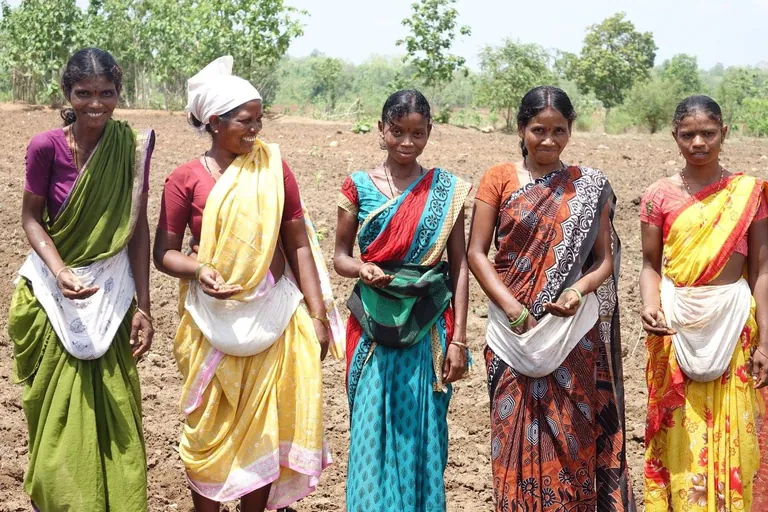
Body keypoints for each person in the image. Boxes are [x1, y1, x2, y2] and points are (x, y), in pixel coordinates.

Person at [153, 56, 343, 512]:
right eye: (245, 121)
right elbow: (164, 252)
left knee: (265, 431)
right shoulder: (185, 179)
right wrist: (198, 270)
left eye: (259, 119)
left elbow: (297, 242)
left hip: (274, 316)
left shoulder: (274, 169)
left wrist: (317, 316)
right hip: (211, 321)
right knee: (208, 432)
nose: (256, 129)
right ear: (215, 122)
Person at [467, 86, 635, 511]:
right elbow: (476, 253)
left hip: (571, 332)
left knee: (572, 437)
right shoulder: (498, 178)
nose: (548, 140)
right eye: (538, 129)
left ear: (570, 130)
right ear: (521, 128)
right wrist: (513, 310)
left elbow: (602, 261)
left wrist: (578, 291)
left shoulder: (588, 186)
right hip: (511, 334)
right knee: (510, 438)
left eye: (559, 130)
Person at [8, 47, 155, 511]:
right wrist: (60, 271)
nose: (96, 104)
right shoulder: (45, 146)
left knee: (115, 421)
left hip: (110, 296)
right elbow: (31, 219)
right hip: (52, 297)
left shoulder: (130, 147)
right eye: (84, 93)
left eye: (107, 93)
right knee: (54, 421)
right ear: (66, 93)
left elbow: (137, 227)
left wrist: (143, 306)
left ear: (119, 93)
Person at [334, 89, 471, 511]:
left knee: (423, 432)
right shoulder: (358, 186)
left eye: (417, 132)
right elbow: (339, 256)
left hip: (429, 324)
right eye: (397, 131)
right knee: (370, 429)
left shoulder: (446, 191)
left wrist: (460, 339)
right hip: (372, 324)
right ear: (381, 130)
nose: (407, 142)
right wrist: (362, 269)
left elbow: (461, 265)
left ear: (430, 131)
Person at [640, 95, 768, 511]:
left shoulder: (748, 193)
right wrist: (649, 305)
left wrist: (765, 341)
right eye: (688, 134)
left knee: (738, 430)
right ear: (674, 137)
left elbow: (763, 271)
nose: (699, 142)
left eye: (708, 133)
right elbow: (650, 265)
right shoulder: (658, 195)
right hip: (676, 325)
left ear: (724, 134)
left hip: (734, 326)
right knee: (680, 428)